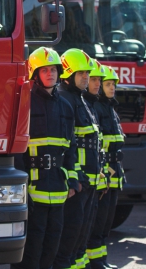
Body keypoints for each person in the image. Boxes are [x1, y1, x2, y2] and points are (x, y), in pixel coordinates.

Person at [12, 47, 76, 269]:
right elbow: (18, 150)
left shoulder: (66, 107)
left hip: (58, 188)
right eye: (45, 70)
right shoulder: (25, 103)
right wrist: (21, 185)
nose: (51, 74)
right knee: (32, 244)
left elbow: (71, 147)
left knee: (52, 242)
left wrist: (73, 181)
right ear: (35, 74)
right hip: (34, 188)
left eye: (53, 70)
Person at [53, 49, 100, 269]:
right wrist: (74, 178)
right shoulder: (65, 99)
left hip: (90, 178)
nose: (86, 78)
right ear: (68, 74)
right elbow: (68, 145)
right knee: (71, 230)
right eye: (81, 73)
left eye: (87, 74)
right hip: (78, 180)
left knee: (84, 229)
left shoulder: (81, 99)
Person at [86, 63, 124, 269]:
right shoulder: (98, 109)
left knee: (107, 221)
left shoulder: (110, 108)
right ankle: (94, 261)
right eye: (107, 84)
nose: (111, 88)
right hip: (105, 173)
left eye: (112, 84)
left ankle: (101, 259)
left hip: (114, 172)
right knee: (98, 221)